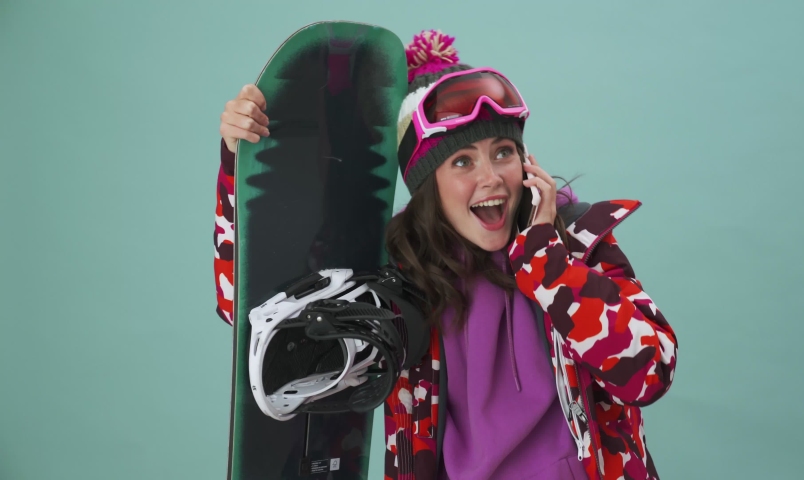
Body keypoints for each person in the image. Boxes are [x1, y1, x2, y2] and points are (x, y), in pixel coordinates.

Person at [213, 29, 678, 480]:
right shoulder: (400, 278)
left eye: (503, 152)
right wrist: (240, 162)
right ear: (427, 186)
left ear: (526, 163)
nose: (491, 177)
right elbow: (257, 316)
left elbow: (650, 372)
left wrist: (546, 261)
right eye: (462, 161)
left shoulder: (578, 244)